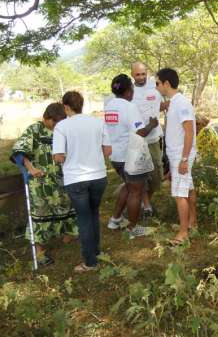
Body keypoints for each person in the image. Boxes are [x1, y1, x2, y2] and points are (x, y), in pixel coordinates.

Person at [10, 103, 78, 266]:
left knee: (66, 205)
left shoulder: (62, 129)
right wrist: (31, 169)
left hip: (60, 178)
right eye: (54, 123)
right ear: (46, 118)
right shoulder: (34, 130)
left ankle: (68, 234)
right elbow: (19, 150)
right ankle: (39, 251)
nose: (57, 126)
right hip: (40, 181)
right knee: (40, 213)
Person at [52, 91, 111, 272]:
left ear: (66, 107)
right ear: (81, 105)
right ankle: (96, 252)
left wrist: (70, 157)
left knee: (84, 218)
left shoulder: (62, 127)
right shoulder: (98, 122)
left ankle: (90, 262)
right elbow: (107, 150)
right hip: (98, 176)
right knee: (93, 214)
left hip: (76, 179)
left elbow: (59, 157)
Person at [105, 74, 159, 238]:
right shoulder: (129, 107)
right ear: (129, 90)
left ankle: (115, 219)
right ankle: (132, 229)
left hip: (116, 156)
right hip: (130, 155)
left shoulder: (109, 105)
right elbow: (140, 132)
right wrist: (152, 124)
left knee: (128, 187)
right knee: (137, 191)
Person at [155, 68, 197, 245]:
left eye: (157, 84)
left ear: (166, 83)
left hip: (181, 154)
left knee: (179, 194)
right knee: (187, 188)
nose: (156, 87)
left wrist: (184, 159)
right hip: (177, 154)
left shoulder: (181, 103)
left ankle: (183, 233)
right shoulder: (174, 102)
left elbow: (189, 132)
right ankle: (192, 222)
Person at [130, 62, 167, 217]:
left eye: (143, 74)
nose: (141, 77)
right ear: (132, 75)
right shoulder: (129, 91)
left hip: (154, 138)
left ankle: (147, 200)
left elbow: (158, 105)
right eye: (137, 74)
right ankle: (146, 207)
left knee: (157, 174)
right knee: (141, 173)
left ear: (147, 73)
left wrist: (167, 105)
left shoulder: (155, 86)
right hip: (137, 139)